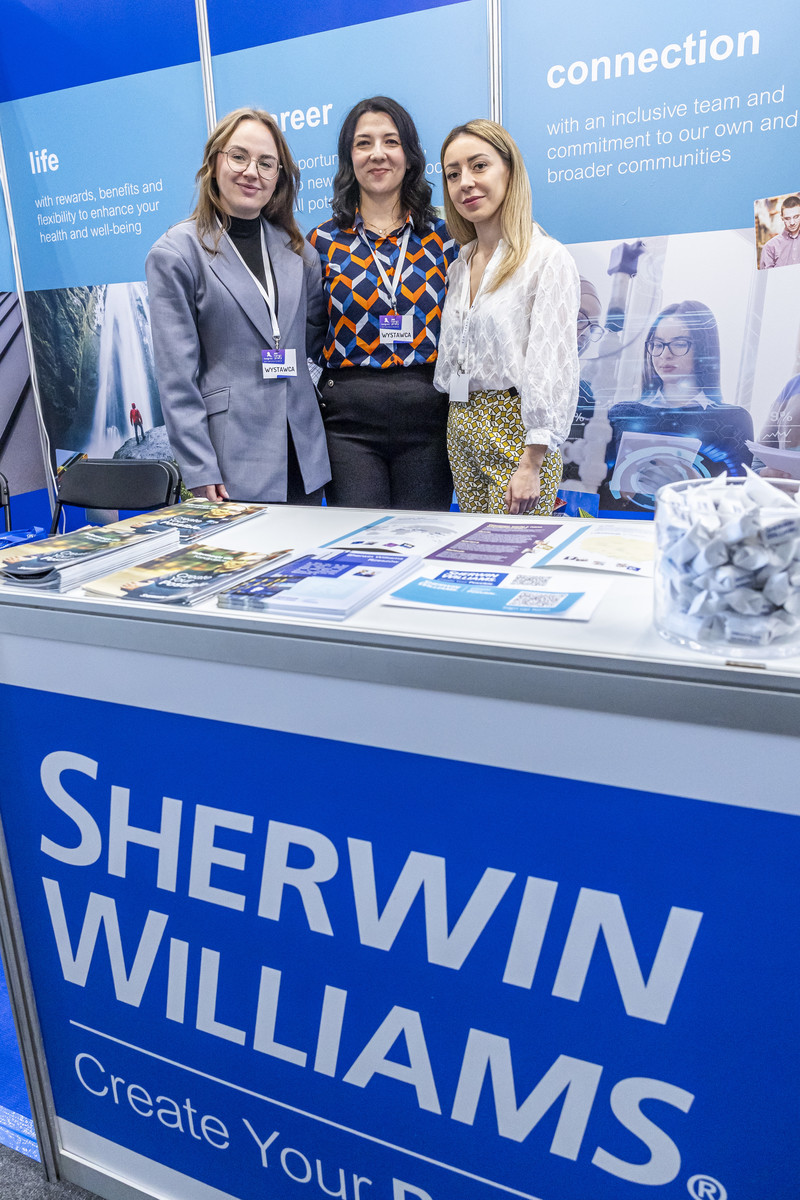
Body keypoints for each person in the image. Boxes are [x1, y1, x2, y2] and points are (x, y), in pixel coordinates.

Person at [145, 108, 329, 504]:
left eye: (266, 163)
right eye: (239, 156)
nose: (251, 172)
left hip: (303, 455)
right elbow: (176, 378)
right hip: (230, 463)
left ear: (279, 176)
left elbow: (314, 337)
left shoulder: (300, 253)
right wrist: (198, 466)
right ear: (214, 163)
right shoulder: (177, 254)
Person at [308, 97, 455, 510]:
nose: (377, 153)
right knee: (359, 541)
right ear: (348, 158)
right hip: (348, 426)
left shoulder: (444, 238)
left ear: (410, 155)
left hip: (428, 419)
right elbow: (309, 331)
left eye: (391, 141)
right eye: (363, 143)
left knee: (423, 536)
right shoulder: (321, 242)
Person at [433, 119, 579, 514]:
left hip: (517, 433)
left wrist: (532, 462)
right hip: (461, 425)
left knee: (514, 547)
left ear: (509, 171)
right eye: (453, 174)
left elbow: (552, 364)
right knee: (474, 547)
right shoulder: (460, 265)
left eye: (479, 166)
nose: (465, 182)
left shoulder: (546, 258)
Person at [604, 301, 753, 509]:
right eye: (657, 344)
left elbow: (738, 504)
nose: (665, 354)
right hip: (624, 524)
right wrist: (619, 490)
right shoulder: (622, 414)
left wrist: (693, 486)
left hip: (694, 525)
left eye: (679, 343)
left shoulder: (733, 420)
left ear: (703, 348)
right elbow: (595, 490)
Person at [759, 195, 800, 270]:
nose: (792, 223)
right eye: (787, 218)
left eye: (796, 217)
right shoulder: (769, 247)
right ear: (782, 218)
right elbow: (765, 276)